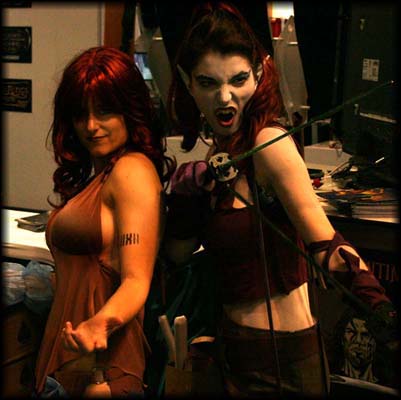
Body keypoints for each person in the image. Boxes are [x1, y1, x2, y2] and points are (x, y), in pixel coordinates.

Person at [163, 2, 398, 398]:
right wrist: (186, 200)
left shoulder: (269, 143)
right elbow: (178, 255)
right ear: (188, 82)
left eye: (238, 79)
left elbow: (325, 244)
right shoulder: (220, 153)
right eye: (208, 83)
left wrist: (380, 309)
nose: (225, 97)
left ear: (259, 73)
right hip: (231, 352)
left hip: (282, 364)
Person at [34, 46, 174, 398]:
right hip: (70, 362)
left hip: (103, 369)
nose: (91, 126)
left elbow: (136, 280)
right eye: (81, 114)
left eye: (105, 111)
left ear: (130, 109)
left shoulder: (131, 171)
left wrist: (99, 324)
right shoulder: (102, 175)